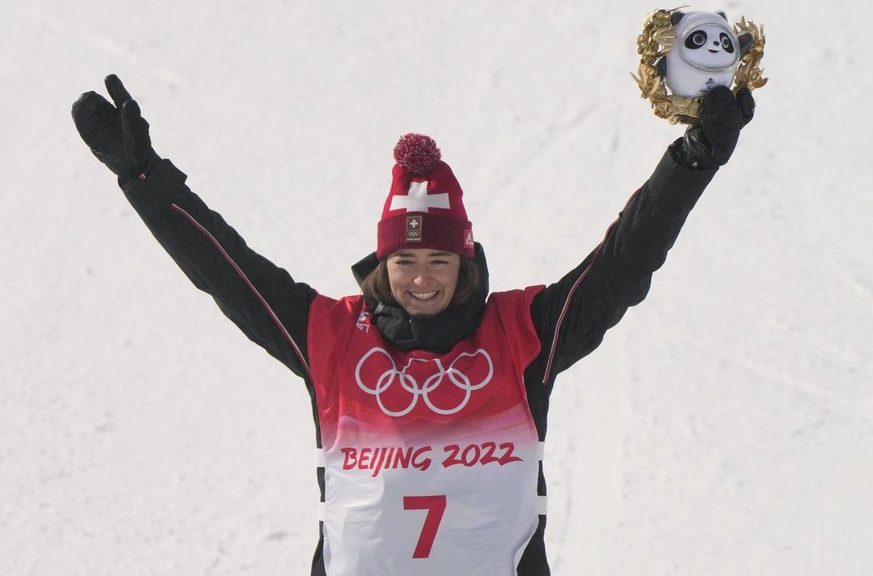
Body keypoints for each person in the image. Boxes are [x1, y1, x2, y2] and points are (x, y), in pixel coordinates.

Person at [72, 74, 755, 576]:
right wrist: (143, 176)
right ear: (382, 261)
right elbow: (225, 268)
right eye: (405, 260)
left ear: (465, 262)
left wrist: (691, 160)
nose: (422, 278)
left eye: (439, 260)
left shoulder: (521, 333)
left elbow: (624, 260)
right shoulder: (329, 336)